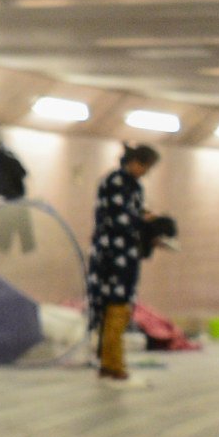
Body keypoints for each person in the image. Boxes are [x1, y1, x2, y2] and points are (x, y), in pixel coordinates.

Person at [90, 140, 162, 382]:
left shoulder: (134, 186)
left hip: (127, 254)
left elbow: (135, 214)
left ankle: (110, 361)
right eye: (145, 167)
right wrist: (146, 225)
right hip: (112, 254)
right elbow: (121, 219)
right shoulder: (116, 182)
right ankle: (112, 363)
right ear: (134, 162)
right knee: (115, 305)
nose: (146, 172)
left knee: (121, 306)